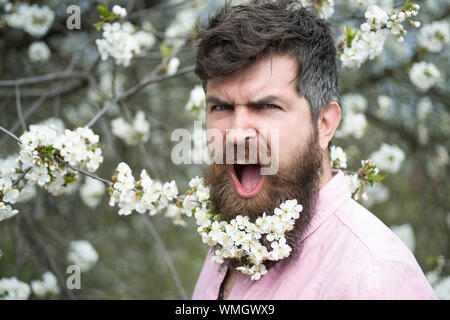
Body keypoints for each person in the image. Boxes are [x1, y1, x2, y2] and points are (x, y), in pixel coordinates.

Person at [191, 0, 437, 300]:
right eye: (221, 107)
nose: (236, 134)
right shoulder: (231, 235)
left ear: (324, 123)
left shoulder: (372, 278)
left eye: (267, 106)